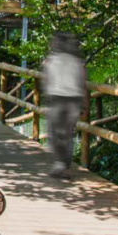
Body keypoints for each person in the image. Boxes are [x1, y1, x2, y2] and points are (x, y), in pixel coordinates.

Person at [42, 31, 87, 178]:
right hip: (74, 100)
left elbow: (46, 81)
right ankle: (64, 165)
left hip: (57, 99)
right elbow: (82, 83)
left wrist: (46, 97)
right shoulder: (76, 61)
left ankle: (60, 164)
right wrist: (84, 104)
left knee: (55, 133)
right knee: (67, 134)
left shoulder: (51, 60)